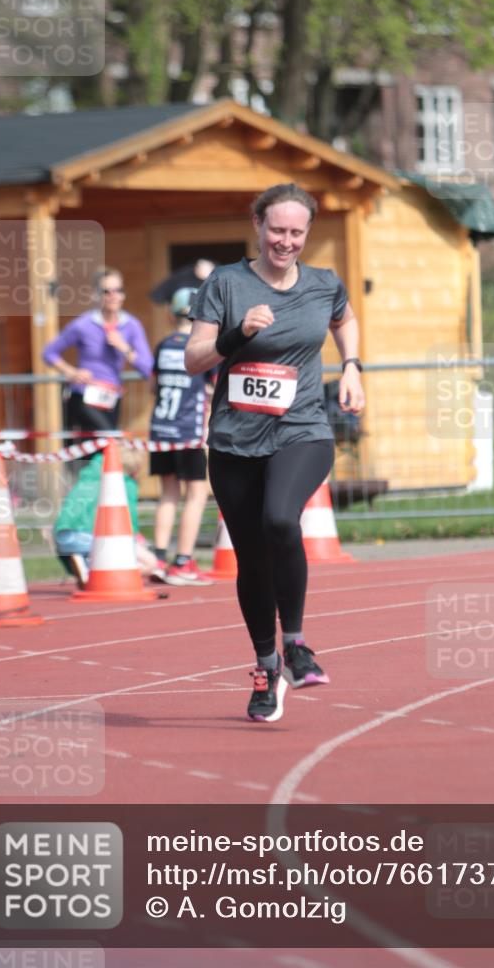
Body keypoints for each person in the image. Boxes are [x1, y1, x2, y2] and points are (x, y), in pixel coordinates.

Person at [185, 183, 364, 723]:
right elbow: (195, 359)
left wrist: (352, 366)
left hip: (302, 428)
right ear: (258, 226)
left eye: (296, 232)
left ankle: (298, 643)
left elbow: (345, 319)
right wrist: (238, 333)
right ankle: (267, 667)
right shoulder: (226, 283)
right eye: (276, 230)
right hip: (235, 441)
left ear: (307, 233)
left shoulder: (324, 284)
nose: (285, 241)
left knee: (281, 520)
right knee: (251, 558)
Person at [149, 278, 215, 586]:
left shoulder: (163, 346)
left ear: (170, 315)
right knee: (197, 495)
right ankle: (183, 560)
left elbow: (153, 384)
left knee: (168, 495)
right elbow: (212, 387)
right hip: (188, 430)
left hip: (161, 428)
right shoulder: (200, 347)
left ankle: (158, 557)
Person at [43, 267, 152, 436]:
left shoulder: (131, 325)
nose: (113, 296)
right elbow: (49, 352)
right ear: (96, 295)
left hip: (112, 397)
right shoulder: (83, 324)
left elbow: (147, 368)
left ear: (123, 294)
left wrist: (124, 348)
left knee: (102, 454)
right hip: (84, 395)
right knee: (110, 440)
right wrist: (71, 372)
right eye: (106, 291)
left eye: (118, 290)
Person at [54, 448, 157, 586]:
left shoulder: (86, 477)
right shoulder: (125, 483)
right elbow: (128, 519)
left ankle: (87, 566)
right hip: (94, 536)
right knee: (150, 563)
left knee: (86, 557)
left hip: (63, 536)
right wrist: (136, 537)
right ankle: (106, 576)